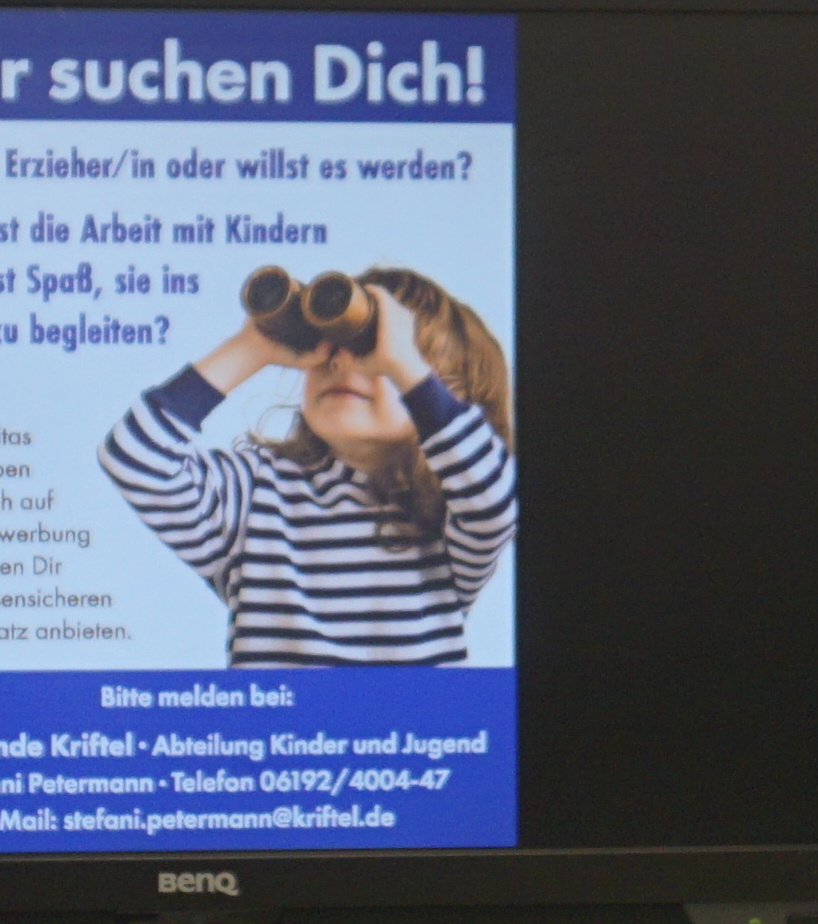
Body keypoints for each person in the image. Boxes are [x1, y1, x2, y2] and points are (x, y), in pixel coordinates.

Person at [100, 260, 519, 663]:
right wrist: (253, 346)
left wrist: (405, 365)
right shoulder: (257, 492)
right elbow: (135, 459)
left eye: (371, 350)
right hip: (285, 733)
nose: (341, 361)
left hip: (410, 736)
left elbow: (496, 507)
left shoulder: (448, 507)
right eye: (334, 348)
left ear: (449, 395)